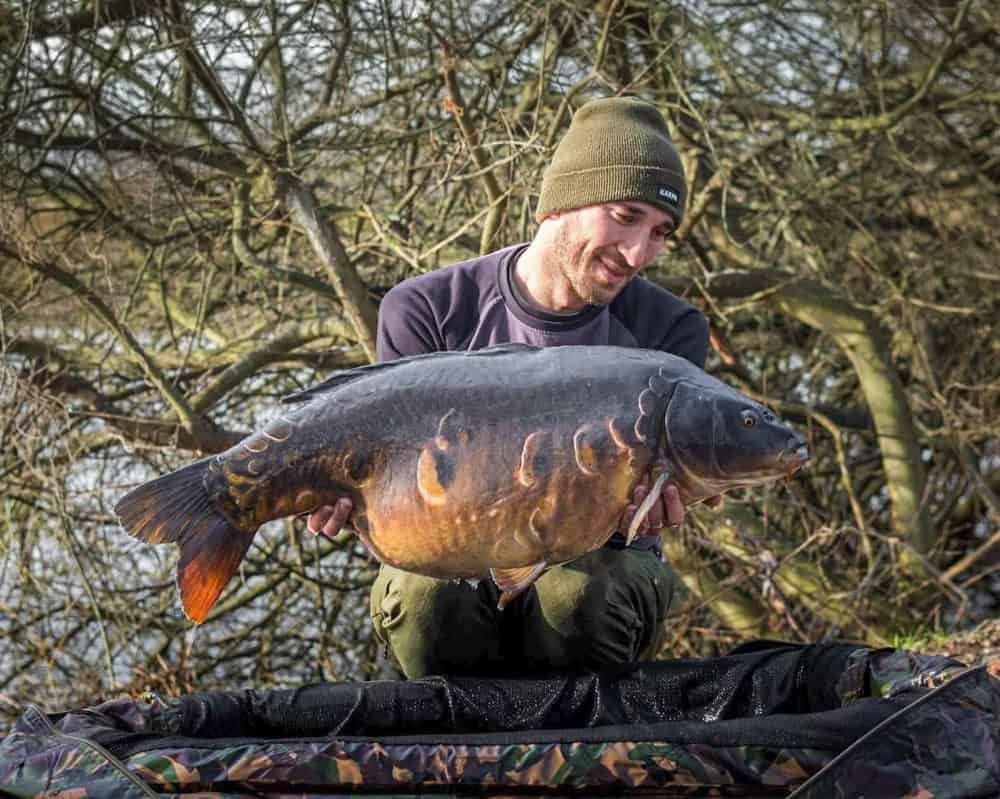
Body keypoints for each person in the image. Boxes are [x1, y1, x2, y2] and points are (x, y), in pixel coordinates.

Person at [308, 96, 715, 677]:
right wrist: (349, 502)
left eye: (659, 232)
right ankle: (450, 754)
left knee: (578, 597)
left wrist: (659, 499)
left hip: (605, 559)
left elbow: (663, 480)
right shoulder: (425, 310)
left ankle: (576, 757)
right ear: (561, 206)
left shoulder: (669, 331)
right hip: (451, 553)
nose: (637, 254)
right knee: (427, 599)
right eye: (625, 217)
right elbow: (396, 481)